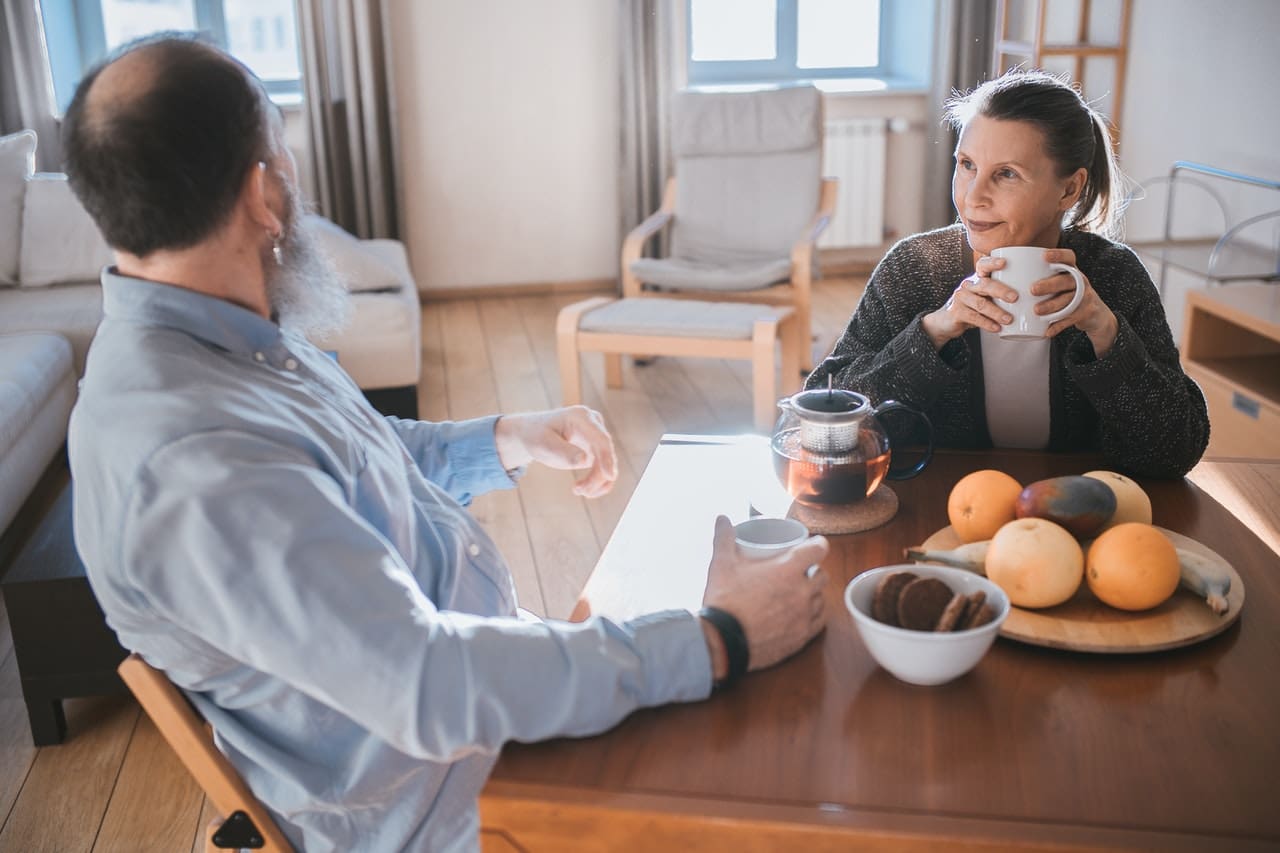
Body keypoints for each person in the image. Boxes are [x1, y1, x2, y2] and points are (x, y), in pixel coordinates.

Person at [64, 35, 830, 852]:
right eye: (284, 157)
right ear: (263, 192)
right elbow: (430, 683)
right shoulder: (193, 462)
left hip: (486, 691)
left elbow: (351, 462)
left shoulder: (224, 336)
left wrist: (509, 438)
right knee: (789, 777)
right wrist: (720, 637)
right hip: (453, 799)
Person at [807, 70, 1209, 478]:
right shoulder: (914, 268)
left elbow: (1173, 453)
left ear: (1069, 190)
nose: (972, 196)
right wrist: (933, 333)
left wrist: (1107, 334)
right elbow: (825, 423)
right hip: (942, 508)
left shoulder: (1114, 275)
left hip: (1076, 515)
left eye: (1006, 174)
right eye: (966, 165)